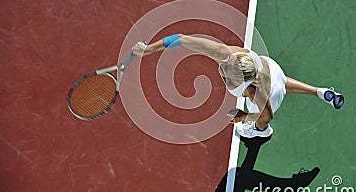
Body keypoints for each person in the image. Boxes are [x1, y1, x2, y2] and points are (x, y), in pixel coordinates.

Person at [132, 34, 344, 138]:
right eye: (227, 63)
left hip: (273, 91)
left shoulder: (254, 92)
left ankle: (260, 133)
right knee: (284, 79)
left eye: (227, 71)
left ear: (241, 81)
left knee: (262, 123)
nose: (222, 65)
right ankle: (319, 92)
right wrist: (148, 49)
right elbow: (181, 39)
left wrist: (243, 117)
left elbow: (267, 115)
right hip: (273, 69)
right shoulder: (226, 54)